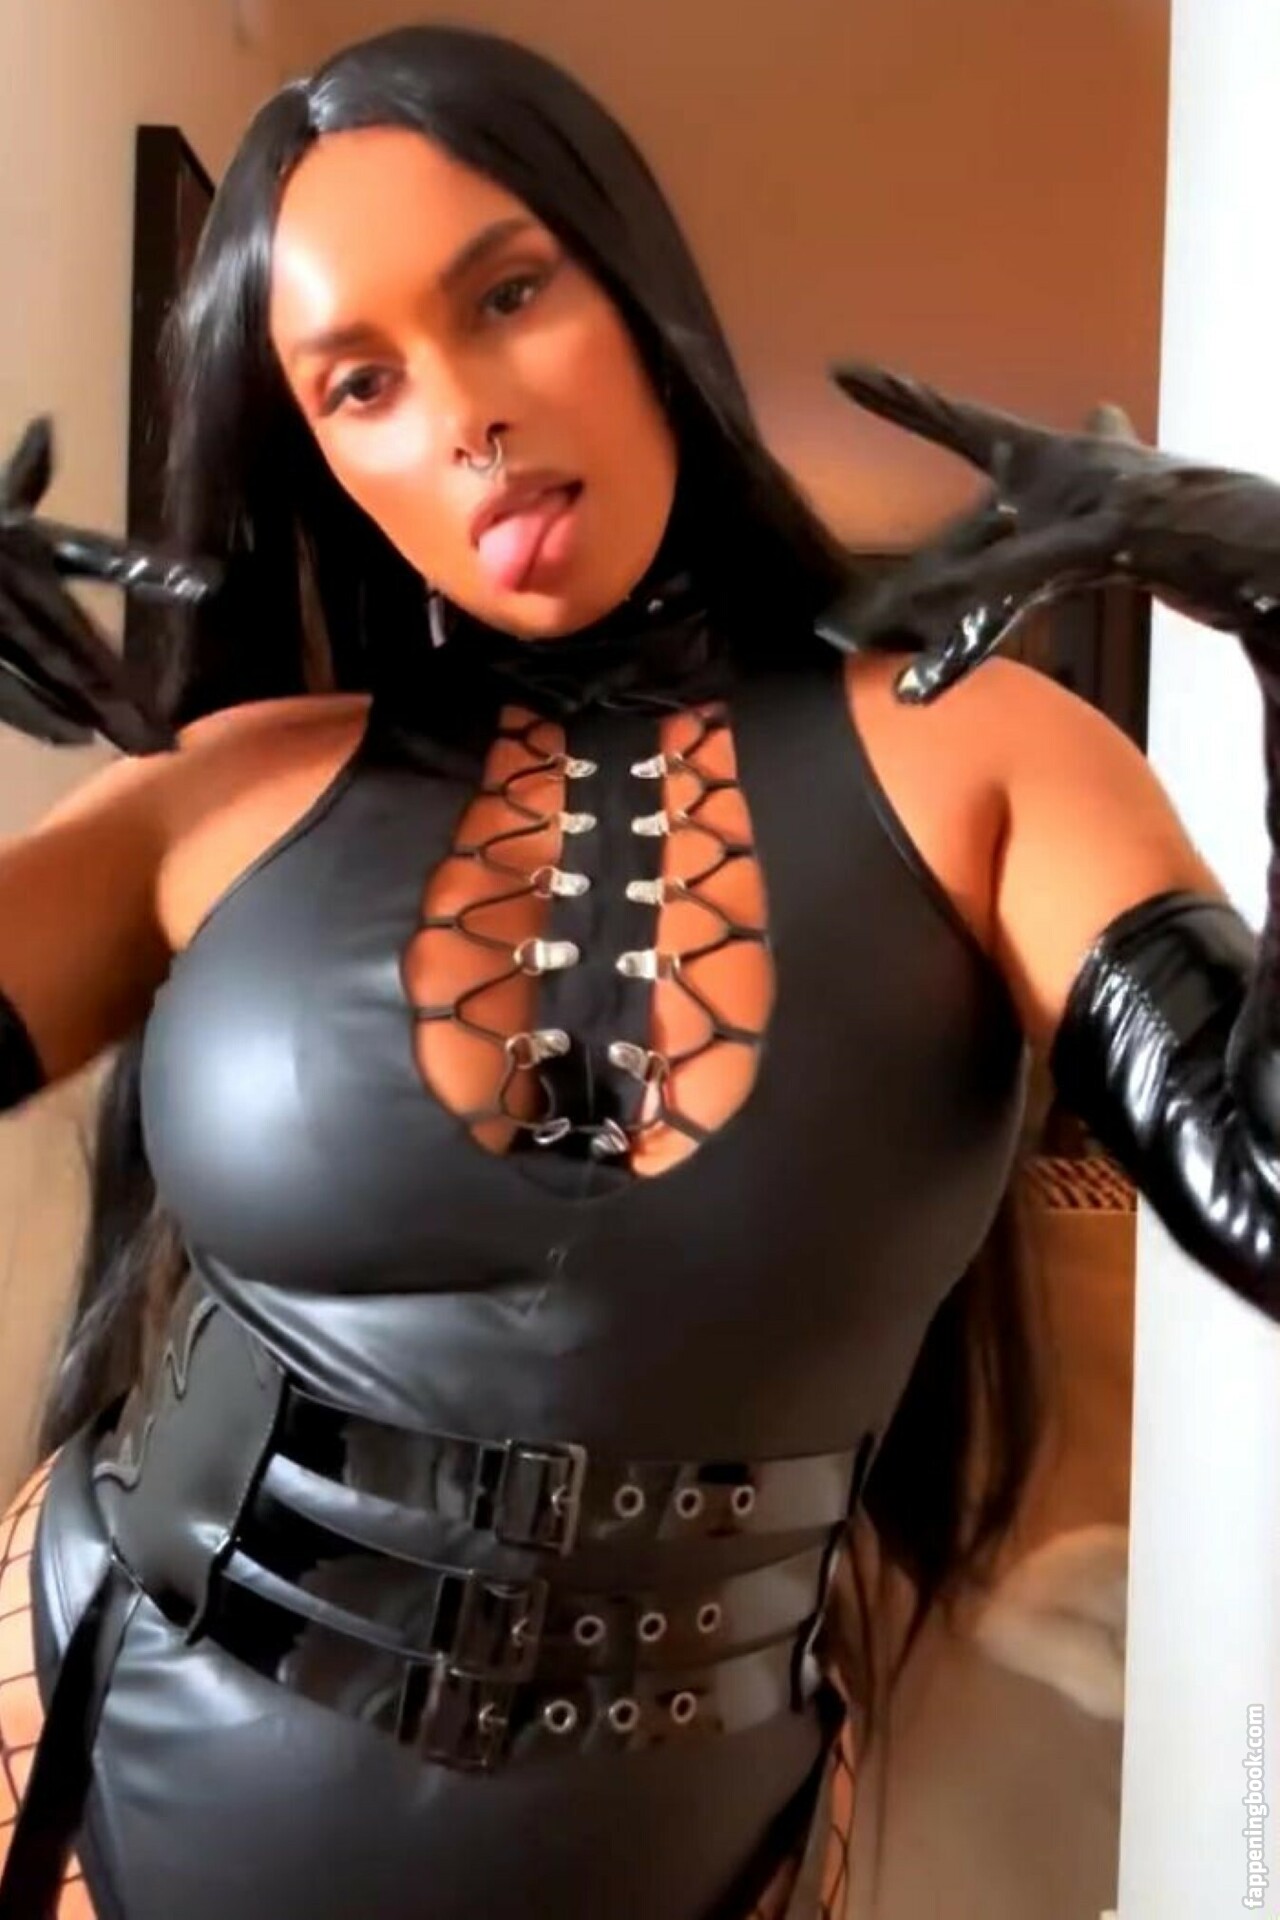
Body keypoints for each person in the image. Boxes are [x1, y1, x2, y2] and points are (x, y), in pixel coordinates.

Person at [0, 21, 1273, 1920]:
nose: (464, 415)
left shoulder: (982, 757)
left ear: (634, 291)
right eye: (361, 383)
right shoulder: (224, 793)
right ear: (320, 455)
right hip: (81, 1757)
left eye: (508, 294)